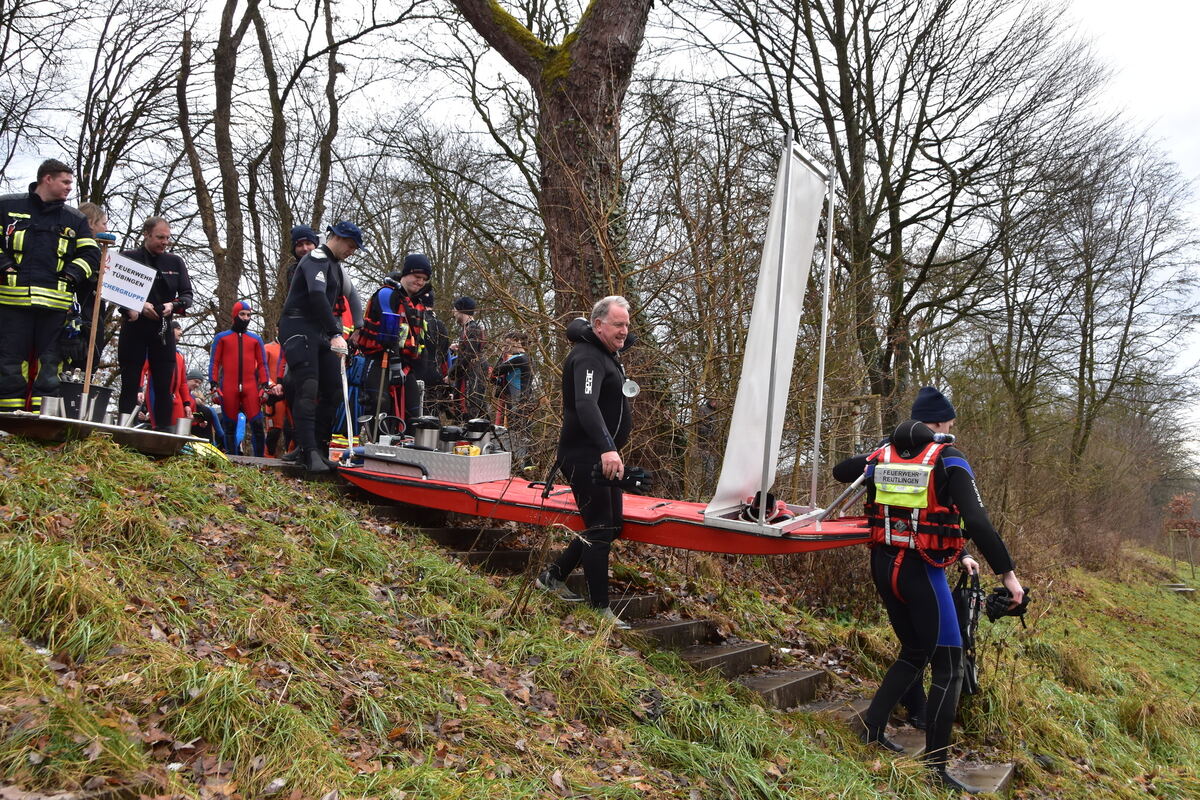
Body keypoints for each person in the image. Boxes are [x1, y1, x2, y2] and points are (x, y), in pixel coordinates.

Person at [832, 387, 1024, 792]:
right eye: (949, 424)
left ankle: (871, 727)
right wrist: (1007, 575)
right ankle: (936, 770)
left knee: (915, 651)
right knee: (949, 667)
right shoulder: (949, 458)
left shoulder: (883, 454)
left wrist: (962, 554)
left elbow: (841, 472)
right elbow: (977, 520)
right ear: (938, 424)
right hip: (922, 573)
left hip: (885, 566)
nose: (952, 430)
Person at [536, 296, 635, 629]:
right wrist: (608, 448)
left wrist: (611, 450)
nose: (625, 331)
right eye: (618, 324)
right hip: (584, 454)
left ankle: (553, 576)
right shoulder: (587, 357)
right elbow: (585, 404)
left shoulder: (606, 352)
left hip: (604, 456)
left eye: (627, 323)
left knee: (612, 525)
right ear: (598, 325)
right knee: (601, 527)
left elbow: (619, 339)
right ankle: (599, 608)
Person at [0, 159, 99, 412]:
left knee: (50, 364)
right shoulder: (7, 206)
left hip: (55, 305)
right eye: (65, 182)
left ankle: (40, 419)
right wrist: (4, 265)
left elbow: (90, 254)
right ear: (47, 179)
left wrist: (71, 275)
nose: (69, 188)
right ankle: (9, 418)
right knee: (10, 361)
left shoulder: (74, 219)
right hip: (12, 300)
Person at [279, 221, 363, 473]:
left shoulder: (336, 266)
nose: (352, 251)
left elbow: (353, 295)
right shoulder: (316, 258)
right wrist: (335, 332)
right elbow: (316, 295)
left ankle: (315, 444)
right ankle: (308, 452)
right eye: (351, 245)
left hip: (318, 332)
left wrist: (358, 326)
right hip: (298, 327)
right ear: (337, 237)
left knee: (335, 389)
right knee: (308, 386)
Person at [116, 217, 193, 431]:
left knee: (164, 385)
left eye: (168, 238)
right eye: (160, 237)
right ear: (146, 234)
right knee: (130, 382)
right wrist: (136, 306)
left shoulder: (174, 262)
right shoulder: (128, 258)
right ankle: (124, 431)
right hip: (135, 326)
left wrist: (173, 305)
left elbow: (187, 295)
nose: (165, 242)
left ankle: (162, 434)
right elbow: (114, 293)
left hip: (163, 329)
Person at [209, 300, 269, 456]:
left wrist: (264, 385)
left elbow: (262, 364)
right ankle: (232, 459)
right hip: (229, 385)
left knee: (257, 423)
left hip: (250, 387)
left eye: (249, 315)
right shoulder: (222, 338)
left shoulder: (255, 339)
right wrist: (213, 384)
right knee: (230, 425)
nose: (245, 318)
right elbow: (214, 362)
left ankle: (261, 461)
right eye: (242, 314)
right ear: (235, 315)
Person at [492, 330, 534, 470]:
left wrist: (502, 355)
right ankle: (523, 465)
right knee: (519, 435)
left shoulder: (520, 359)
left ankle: (523, 466)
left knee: (519, 435)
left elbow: (496, 371)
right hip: (518, 402)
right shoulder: (523, 358)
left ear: (517, 342)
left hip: (520, 403)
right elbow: (496, 378)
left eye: (508, 344)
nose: (506, 347)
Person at [141, 321, 193, 430]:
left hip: (176, 397)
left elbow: (183, 382)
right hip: (156, 394)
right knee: (161, 430)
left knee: (177, 431)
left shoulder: (180, 356)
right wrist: (139, 389)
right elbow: (142, 369)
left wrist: (186, 403)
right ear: (170, 330)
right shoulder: (155, 349)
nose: (181, 332)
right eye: (178, 329)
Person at [448, 295, 488, 421]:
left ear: (460, 310)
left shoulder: (473, 329)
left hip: (472, 379)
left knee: (471, 415)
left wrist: (451, 374)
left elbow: (468, 357)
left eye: (455, 309)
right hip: (469, 376)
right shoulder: (468, 329)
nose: (453, 313)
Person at [263, 325, 292, 457]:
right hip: (275, 396)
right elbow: (261, 370)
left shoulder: (295, 347)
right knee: (274, 431)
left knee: (294, 430)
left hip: (292, 395)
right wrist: (271, 385)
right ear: (276, 329)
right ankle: (267, 460)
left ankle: (291, 456)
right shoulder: (268, 348)